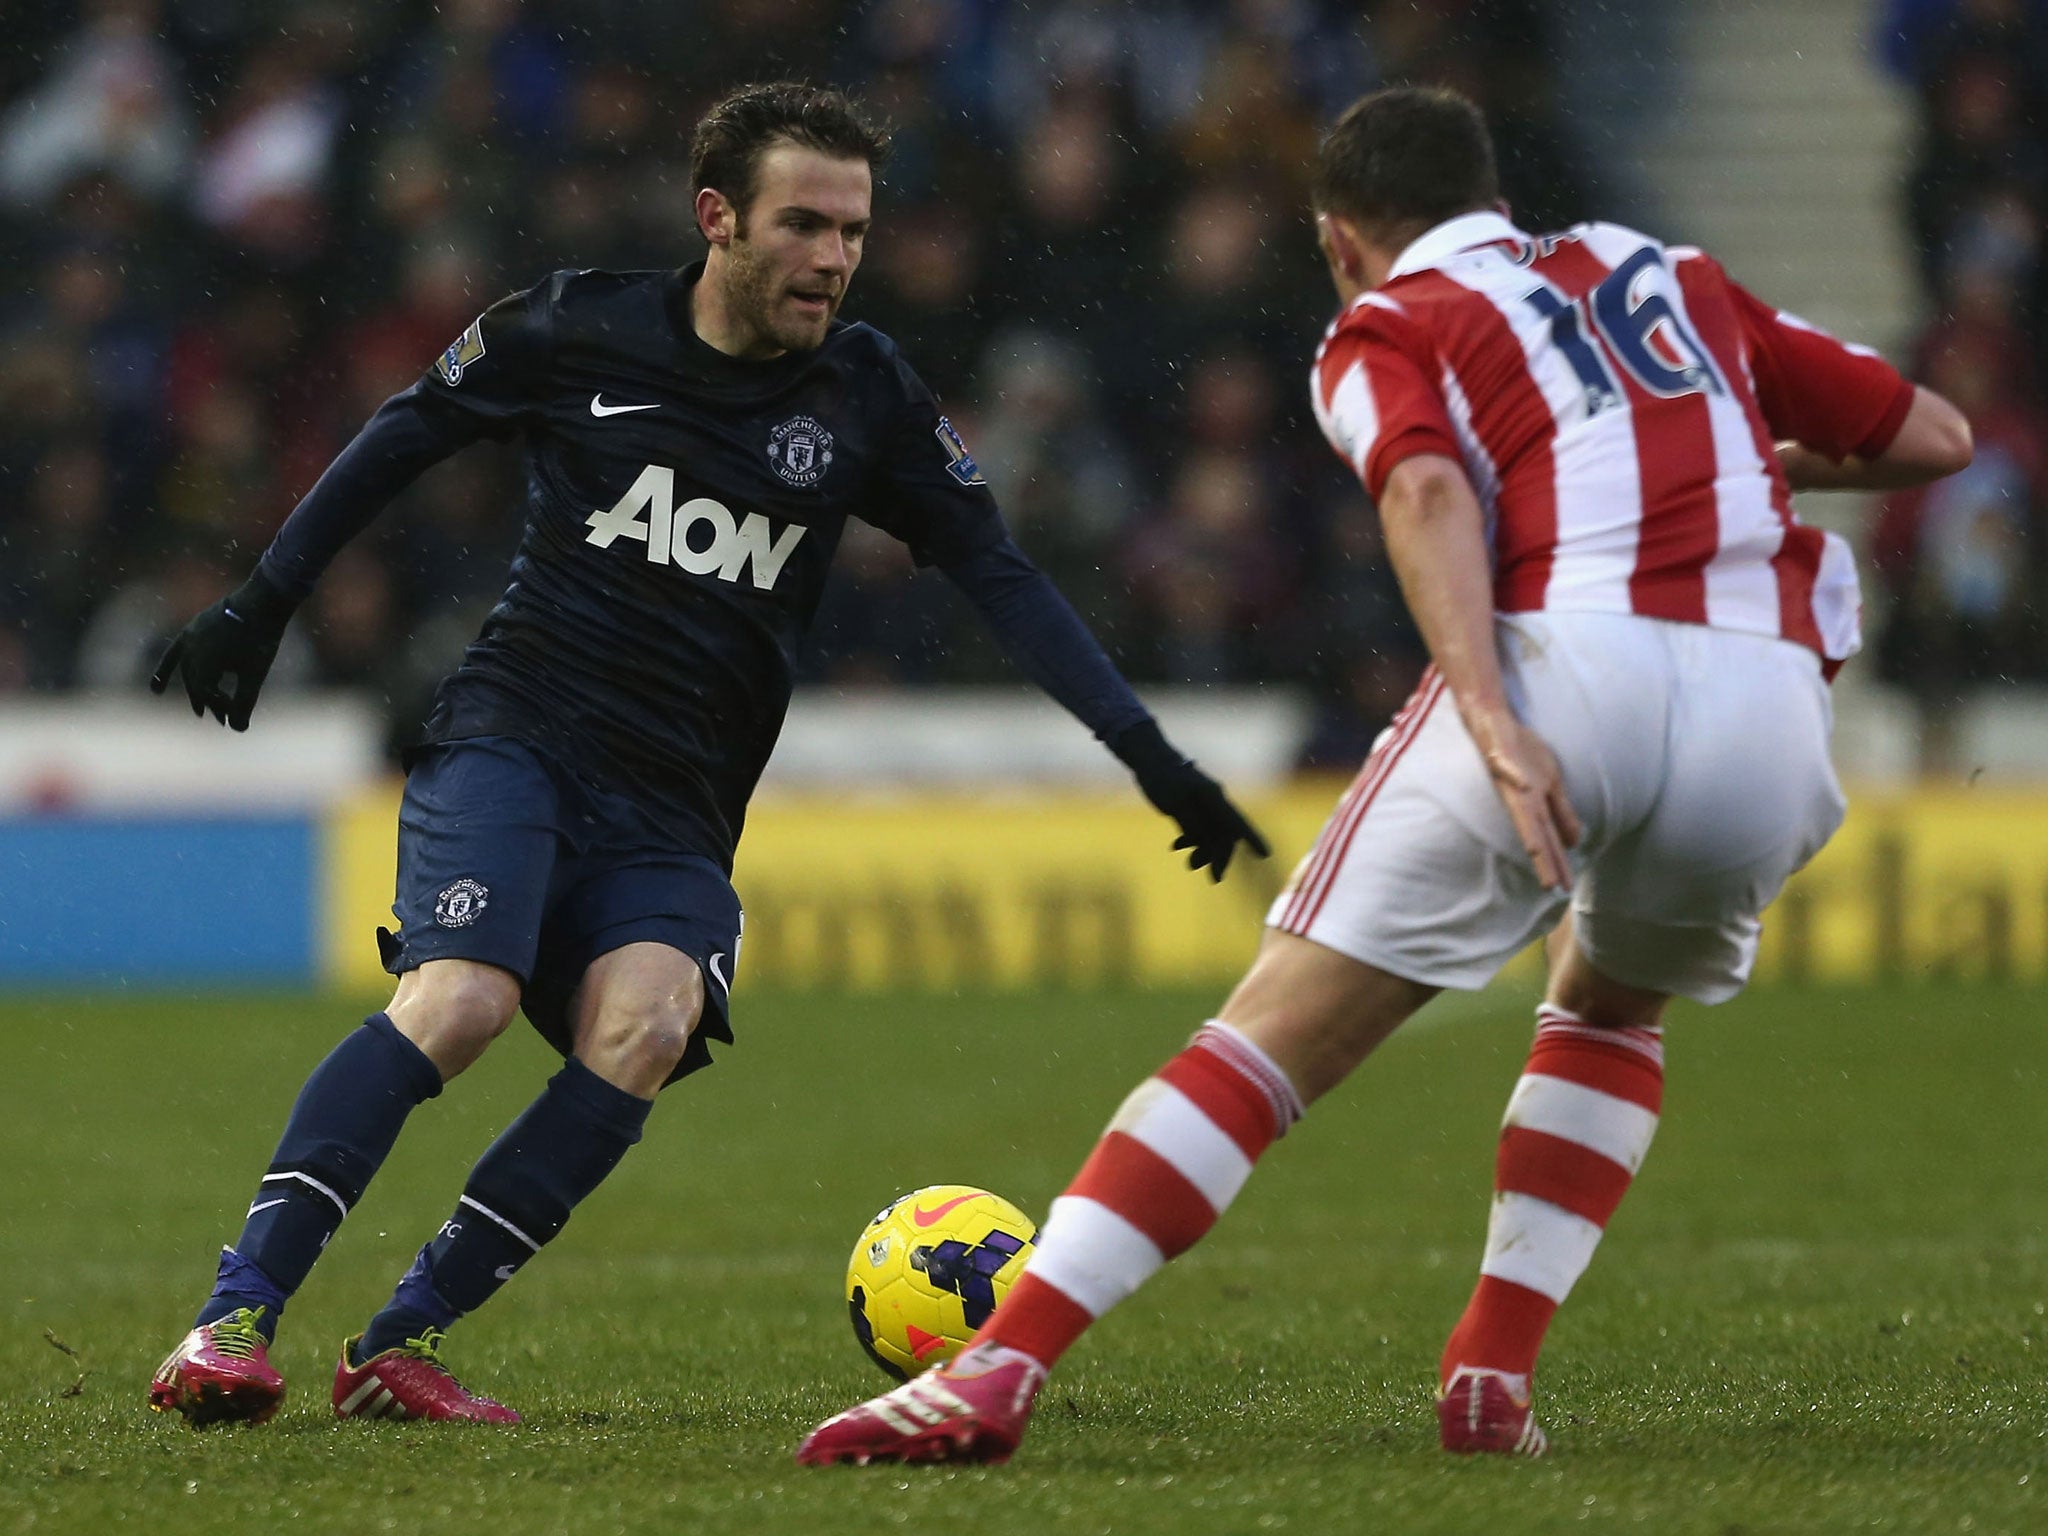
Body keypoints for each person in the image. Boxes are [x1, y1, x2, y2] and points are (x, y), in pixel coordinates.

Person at [796, 85, 1974, 1467]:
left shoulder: (1384, 323)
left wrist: (1488, 713)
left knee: (1268, 1038)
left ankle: (995, 1372)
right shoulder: (1666, 274)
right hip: (1766, 706)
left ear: (1339, 237)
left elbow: (1425, 494)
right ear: (1497, 198)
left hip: (1571, 666)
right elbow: (1930, 439)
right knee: (1606, 1009)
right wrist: (1711, 465)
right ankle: (1490, 1375)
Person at [144, 79, 1267, 1429]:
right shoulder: (576, 325)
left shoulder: (867, 396)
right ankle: (234, 1319)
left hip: (677, 803)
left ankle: (401, 1340)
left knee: (649, 1025)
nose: (835, 257)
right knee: (460, 1004)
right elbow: (405, 432)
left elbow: (1000, 574)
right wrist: (261, 603)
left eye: (853, 228)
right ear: (718, 217)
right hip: (517, 736)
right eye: (804, 223)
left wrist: (1144, 750)